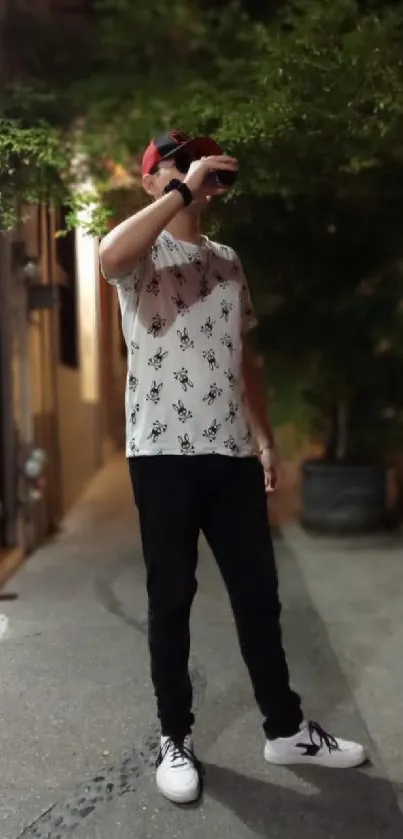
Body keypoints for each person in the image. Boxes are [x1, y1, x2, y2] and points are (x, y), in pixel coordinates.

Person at [99, 131, 366, 805]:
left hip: (230, 453)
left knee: (258, 598)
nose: (192, 173)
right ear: (152, 177)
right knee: (171, 601)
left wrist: (265, 438)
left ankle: (283, 728)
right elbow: (107, 257)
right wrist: (181, 190)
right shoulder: (139, 252)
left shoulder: (227, 260)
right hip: (161, 452)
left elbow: (242, 356)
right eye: (178, 162)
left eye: (200, 164)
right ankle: (175, 737)